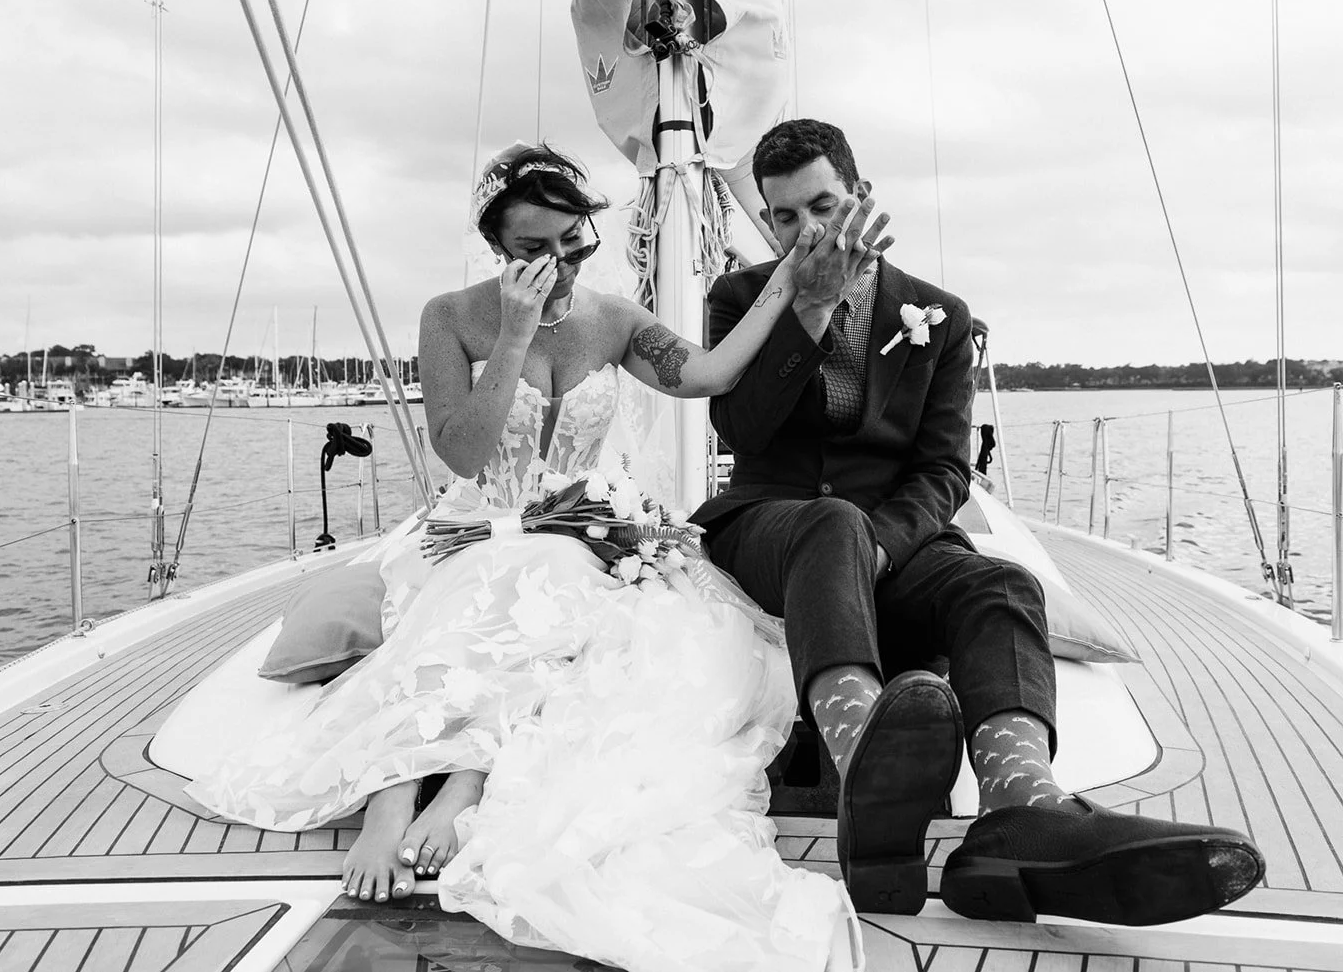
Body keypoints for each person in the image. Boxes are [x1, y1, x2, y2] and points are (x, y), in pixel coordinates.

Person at [186, 143, 883, 971]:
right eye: (532, 249)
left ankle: (464, 784)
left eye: (572, 245)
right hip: (477, 524)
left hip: (583, 531)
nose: (554, 264)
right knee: (495, 590)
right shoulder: (451, 317)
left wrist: (797, 281)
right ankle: (394, 789)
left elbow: (711, 373)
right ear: (498, 248)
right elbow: (466, 453)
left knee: (605, 618)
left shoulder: (615, 319)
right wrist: (513, 336)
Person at [694, 118, 1266, 925]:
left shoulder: (939, 314)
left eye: (822, 204)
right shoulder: (739, 298)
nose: (807, 230)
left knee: (999, 581)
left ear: (860, 195)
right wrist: (810, 311)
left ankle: (1019, 808)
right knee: (829, 523)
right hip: (769, 524)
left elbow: (941, 470)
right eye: (784, 217)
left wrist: (883, 548)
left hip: (889, 534)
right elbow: (741, 431)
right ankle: (869, 773)